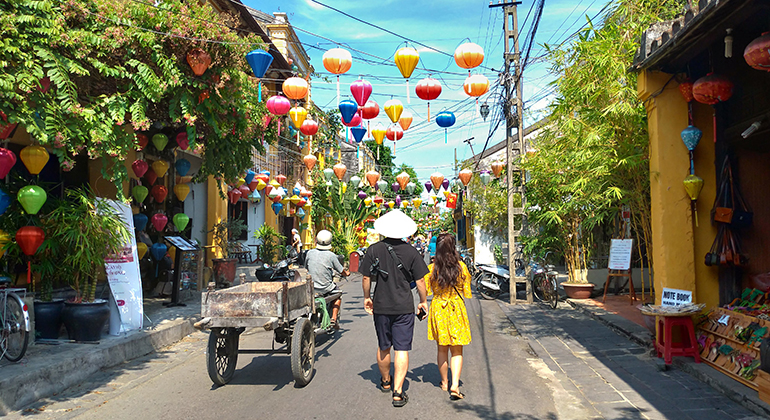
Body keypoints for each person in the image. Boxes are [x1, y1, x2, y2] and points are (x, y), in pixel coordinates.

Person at [360, 210, 429, 408]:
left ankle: (385, 382)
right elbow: (420, 280)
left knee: (383, 346)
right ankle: (398, 392)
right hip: (404, 307)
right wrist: (423, 301)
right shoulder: (411, 251)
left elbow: (366, 277)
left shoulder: (373, 250)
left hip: (381, 305)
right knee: (402, 348)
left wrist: (367, 297)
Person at [423, 233, 472, 401]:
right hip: (456, 307)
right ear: (453, 247)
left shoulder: (432, 269)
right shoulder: (461, 268)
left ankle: (444, 382)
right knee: (457, 350)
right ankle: (455, 385)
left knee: (442, 348)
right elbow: (467, 291)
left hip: (438, 308)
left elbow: (428, 290)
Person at [304, 230, 349, 329]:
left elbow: (306, 267)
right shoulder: (331, 256)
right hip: (326, 288)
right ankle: (333, 318)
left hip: (311, 288)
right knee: (338, 295)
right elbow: (342, 271)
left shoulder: (309, 253)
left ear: (317, 240)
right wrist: (347, 273)